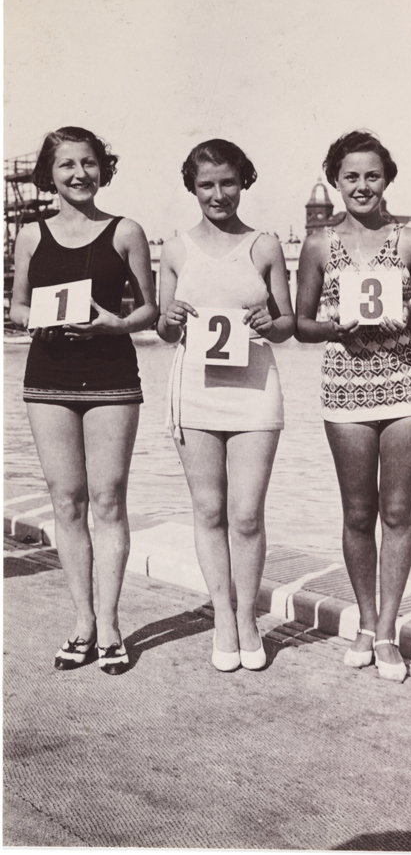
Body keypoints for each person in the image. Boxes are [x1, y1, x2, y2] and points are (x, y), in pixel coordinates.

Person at [296, 130, 411, 682]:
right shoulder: (318, 245)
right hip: (346, 387)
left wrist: (408, 315)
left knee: (398, 512)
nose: (362, 186)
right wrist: (333, 327)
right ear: (335, 181)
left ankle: (386, 631)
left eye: (372, 175)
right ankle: (363, 620)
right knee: (358, 513)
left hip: (407, 384)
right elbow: (302, 325)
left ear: (388, 179)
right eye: (351, 176)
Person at [10, 126, 157, 675]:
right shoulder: (30, 236)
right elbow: (16, 308)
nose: (79, 174)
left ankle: (111, 624)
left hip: (111, 376)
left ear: (103, 168)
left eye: (89, 163)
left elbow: (149, 309)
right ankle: (82, 622)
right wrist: (39, 319)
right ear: (49, 175)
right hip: (48, 377)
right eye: (67, 164)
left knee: (108, 499)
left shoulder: (126, 231)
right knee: (67, 502)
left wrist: (115, 324)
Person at [158, 139, 294, 671]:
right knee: (210, 510)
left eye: (228, 182)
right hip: (195, 390)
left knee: (246, 514)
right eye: (207, 185)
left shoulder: (264, 245)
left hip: (254, 390)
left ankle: (247, 618)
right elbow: (164, 328)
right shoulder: (175, 249)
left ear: (244, 182)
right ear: (192, 188)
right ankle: (222, 614)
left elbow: (286, 324)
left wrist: (271, 323)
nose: (219, 194)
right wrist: (170, 320)